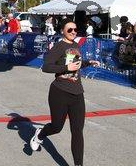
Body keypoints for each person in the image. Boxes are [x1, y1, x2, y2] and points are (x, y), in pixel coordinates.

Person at [29, 21, 100, 166]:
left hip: (77, 93)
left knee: (77, 131)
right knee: (57, 127)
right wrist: (66, 68)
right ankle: (40, 134)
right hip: (59, 92)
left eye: (75, 29)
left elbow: (76, 64)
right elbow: (46, 67)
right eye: (70, 30)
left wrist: (88, 62)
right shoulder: (58, 47)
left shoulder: (76, 45)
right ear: (62, 31)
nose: (73, 32)